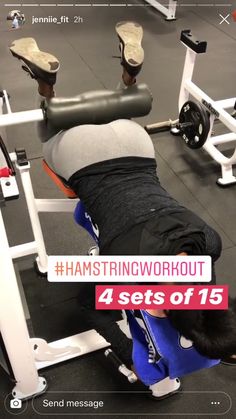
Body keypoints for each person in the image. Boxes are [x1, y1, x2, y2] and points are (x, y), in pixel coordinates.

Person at [9, 21, 236, 398]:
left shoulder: (210, 245)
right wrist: (129, 349)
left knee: (121, 119)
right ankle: (45, 87)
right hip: (82, 156)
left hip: (136, 145)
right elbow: (87, 305)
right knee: (48, 133)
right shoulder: (128, 274)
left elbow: (196, 293)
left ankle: (129, 79)